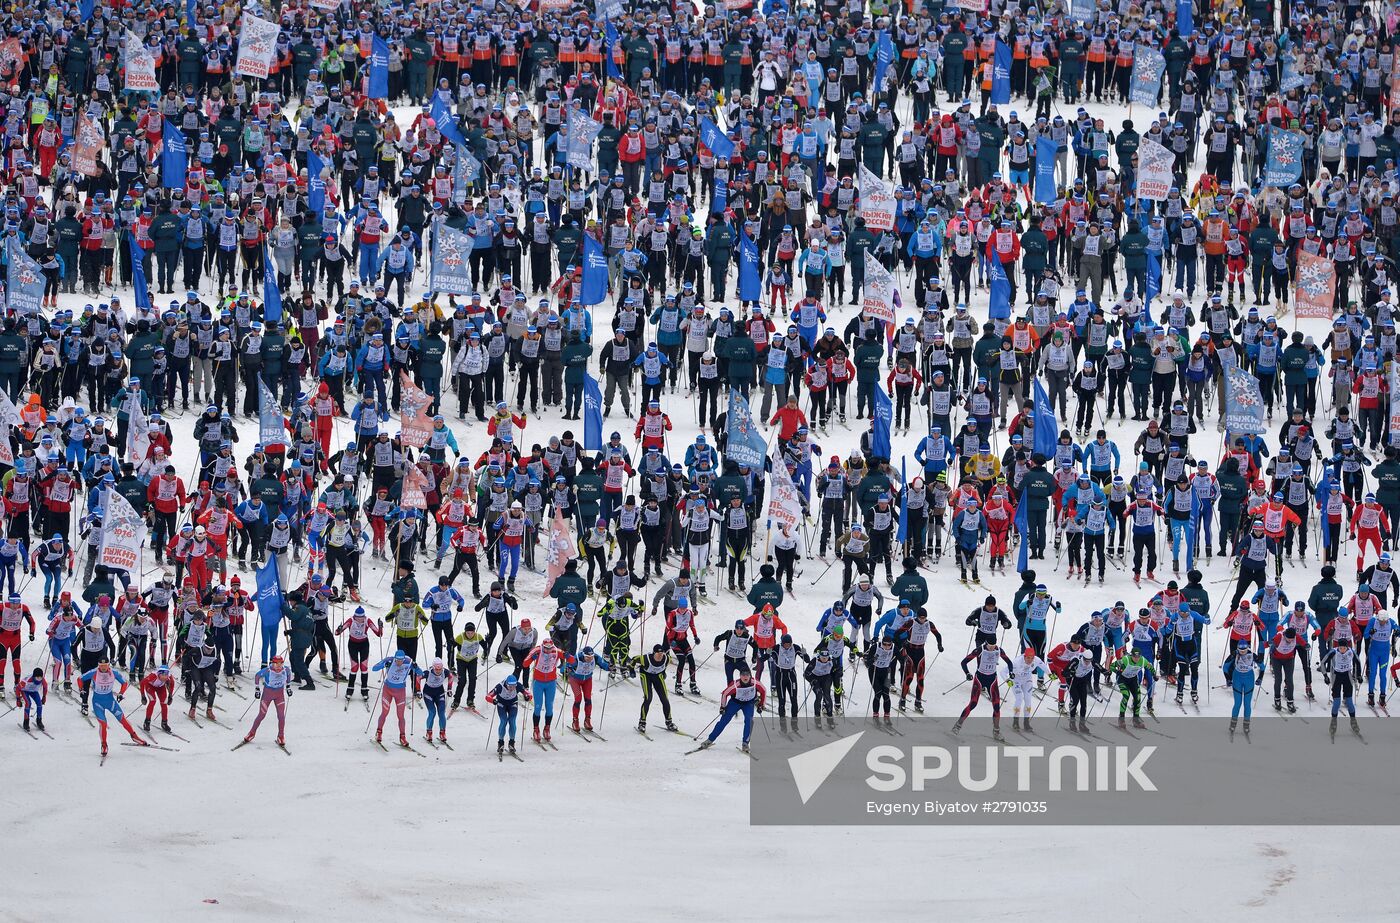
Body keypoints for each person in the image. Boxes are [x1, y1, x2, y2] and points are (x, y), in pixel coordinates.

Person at [695, 664, 767, 753]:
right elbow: (725, 694)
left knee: (749, 721)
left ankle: (745, 743)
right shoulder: (735, 685)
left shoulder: (755, 683)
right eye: (743, 675)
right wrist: (723, 707)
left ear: (750, 676)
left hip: (748, 704)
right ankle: (710, 740)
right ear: (740, 676)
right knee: (724, 721)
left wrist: (761, 705)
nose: (745, 677)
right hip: (735, 703)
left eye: (747, 675)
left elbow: (763, 690)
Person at [244, 654, 294, 747]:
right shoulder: (268, 670)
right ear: (272, 663)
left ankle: (281, 736)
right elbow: (257, 676)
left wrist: (288, 687)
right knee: (261, 715)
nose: (279, 666)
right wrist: (257, 689)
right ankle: (252, 733)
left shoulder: (286, 669)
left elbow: (288, 675)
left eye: (281, 663)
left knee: (281, 716)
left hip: (279, 695)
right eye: (276, 664)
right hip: (267, 695)